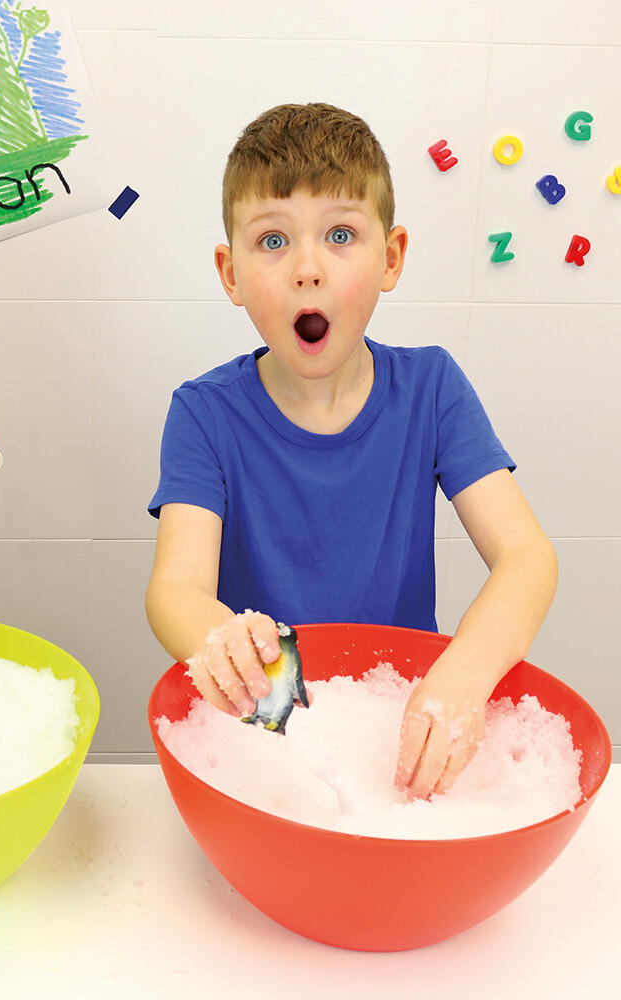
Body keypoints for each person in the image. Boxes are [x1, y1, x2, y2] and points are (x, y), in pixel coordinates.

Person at [145, 103, 557, 799]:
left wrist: (463, 673)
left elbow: (528, 557)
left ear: (390, 257)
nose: (308, 268)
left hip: (401, 713)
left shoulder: (431, 389)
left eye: (340, 235)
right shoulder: (204, 412)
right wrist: (230, 650)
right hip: (270, 729)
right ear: (230, 272)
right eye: (272, 242)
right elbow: (175, 589)